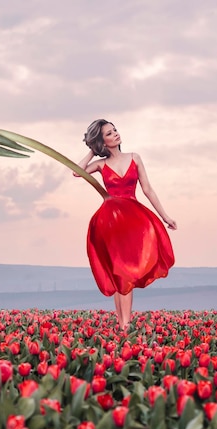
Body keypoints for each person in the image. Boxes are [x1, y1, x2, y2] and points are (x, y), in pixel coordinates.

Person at [75, 119, 177, 331]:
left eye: (115, 130)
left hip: (133, 221)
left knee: (125, 272)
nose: (116, 134)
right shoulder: (101, 165)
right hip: (110, 223)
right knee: (119, 272)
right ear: (102, 142)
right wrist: (92, 152)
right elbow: (77, 172)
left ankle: (124, 325)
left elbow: (148, 189)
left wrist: (165, 216)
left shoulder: (134, 157)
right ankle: (124, 324)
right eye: (109, 134)